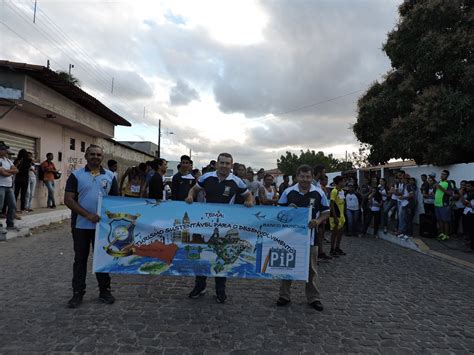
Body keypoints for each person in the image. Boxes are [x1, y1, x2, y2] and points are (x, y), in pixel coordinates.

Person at [185, 153, 254, 303]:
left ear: (231, 165)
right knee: (203, 255)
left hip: (225, 226)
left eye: (227, 163)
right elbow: (194, 190)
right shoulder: (206, 177)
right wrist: (190, 196)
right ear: (216, 164)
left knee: (222, 257)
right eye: (221, 163)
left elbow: (249, 196)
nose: (224, 166)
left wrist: (249, 201)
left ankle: (220, 291)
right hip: (206, 224)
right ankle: (200, 287)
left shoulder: (237, 181)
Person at [64, 144, 119, 308]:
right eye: (92, 154)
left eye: (98, 155)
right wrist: (88, 215)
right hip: (81, 226)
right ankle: (77, 293)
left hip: (102, 228)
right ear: (86, 156)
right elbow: (68, 199)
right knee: (80, 260)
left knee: (102, 260)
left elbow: (116, 202)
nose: (95, 157)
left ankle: (105, 291)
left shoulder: (110, 176)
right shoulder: (76, 175)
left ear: (102, 157)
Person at [276, 165, 330, 311]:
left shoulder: (319, 193)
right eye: (302, 176)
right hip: (290, 237)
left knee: (311, 269)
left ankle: (314, 298)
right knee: (288, 265)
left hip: (311, 238)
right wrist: (287, 209)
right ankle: (284, 295)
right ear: (297, 176)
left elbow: (326, 212)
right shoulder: (288, 192)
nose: (305, 180)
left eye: (308, 177)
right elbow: (278, 211)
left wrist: (317, 221)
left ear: (312, 177)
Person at [0, 141, 18, 232]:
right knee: (0, 205)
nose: (6, 151)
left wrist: (8, 171)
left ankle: (10, 224)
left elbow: (16, 170)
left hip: (8, 186)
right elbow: (2, 173)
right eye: (3, 149)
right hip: (1, 186)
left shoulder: (8, 160)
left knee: (13, 205)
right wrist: (10, 172)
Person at [434, 170, 454, 240]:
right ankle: (442, 233)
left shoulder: (449, 183)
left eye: (444, 174)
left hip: (444, 204)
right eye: (442, 174)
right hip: (437, 204)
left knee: (445, 220)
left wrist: (441, 188)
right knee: (439, 220)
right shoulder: (439, 182)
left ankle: (446, 235)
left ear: (447, 176)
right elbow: (436, 192)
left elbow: (450, 194)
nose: (442, 175)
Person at [329, 176, 346, 256]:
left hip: (341, 215)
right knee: (334, 233)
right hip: (335, 215)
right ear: (339, 182)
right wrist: (335, 217)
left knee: (340, 233)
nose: (344, 183)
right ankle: (332, 249)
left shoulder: (342, 191)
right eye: (343, 181)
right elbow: (331, 204)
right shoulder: (334, 191)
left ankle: (337, 247)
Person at [13, 149, 32, 213]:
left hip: (18, 178)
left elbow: (14, 168)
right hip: (25, 179)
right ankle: (22, 208)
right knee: (23, 194)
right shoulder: (29, 161)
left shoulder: (17, 160)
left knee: (16, 193)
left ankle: (14, 208)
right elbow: (29, 168)